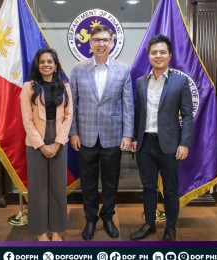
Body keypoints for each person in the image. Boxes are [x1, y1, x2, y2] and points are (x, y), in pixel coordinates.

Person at [69, 25, 134, 240]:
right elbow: (73, 104)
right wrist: (73, 132)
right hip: (85, 136)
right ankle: (90, 219)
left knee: (110, 181)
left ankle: (107, 217)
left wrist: (127, 135)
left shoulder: (123, 69)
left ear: (112, 43)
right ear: (90, 43)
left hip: (113, 136)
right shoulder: (78, 69)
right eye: (96, 40)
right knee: (87, 182)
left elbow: (128, 104)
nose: (101, 44)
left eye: (105, 40)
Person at [130, 34, 193, 241]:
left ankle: (171, 229)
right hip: (145, 144)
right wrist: (134, 137)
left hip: (169, 146)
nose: (158, 56)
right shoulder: (140, 82)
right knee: (148, 187)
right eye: (154, 52)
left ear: (169, 55)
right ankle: (149, 223)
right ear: (148, 56)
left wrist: (184, 143)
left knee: (171, 190)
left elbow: (187, 115)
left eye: (162, 52)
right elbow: (137, 112)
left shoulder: (180, 81)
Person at [20, 47, 73, 241]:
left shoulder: (65, 86)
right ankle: (41, 232)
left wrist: (58, 143)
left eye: (50, 62)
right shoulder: (29, 87)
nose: (46, 65)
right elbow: (27, 120)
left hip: (59, 139)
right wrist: (41, 145)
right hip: (36, 142)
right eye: (42, 62)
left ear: (56, 65)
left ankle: (57, 231)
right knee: (38, 188)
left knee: (58, 187)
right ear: (38, 65)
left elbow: (69, 117)